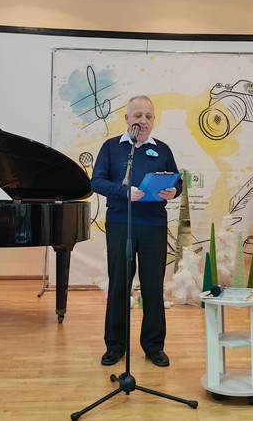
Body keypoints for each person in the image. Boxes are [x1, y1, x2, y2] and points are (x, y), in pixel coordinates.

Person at [91, 95, 182, 368]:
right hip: (121, 225)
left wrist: (173, 191)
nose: (143, 121)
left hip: (154, 226)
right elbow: (96, 181)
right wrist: (123, 191)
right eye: (138, 115)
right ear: (127, 118)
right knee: (119, 285)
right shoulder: (112, 147)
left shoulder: (162, 149)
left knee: (153, 287)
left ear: (154, 121)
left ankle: (154, 346)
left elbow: (178, 182)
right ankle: (115, 346)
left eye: (149, 117)